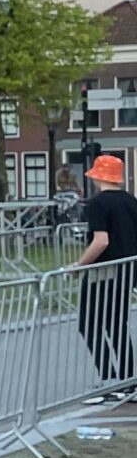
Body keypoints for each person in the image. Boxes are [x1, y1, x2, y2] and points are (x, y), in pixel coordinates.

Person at [69, 152, 136, 386]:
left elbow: (101, 241)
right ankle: (128, 379)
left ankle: (108, 378)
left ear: (97, 177)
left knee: (89, 324)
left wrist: (78, 266)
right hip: (127, 271)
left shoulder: (98, 203)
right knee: (117, 324)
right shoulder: (131, 201)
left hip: (104, 271)